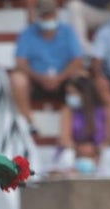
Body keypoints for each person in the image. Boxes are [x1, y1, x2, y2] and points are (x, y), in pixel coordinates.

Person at [10, 0, 85, 133]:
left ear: (56, 14)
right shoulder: (28, 33)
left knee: (82, 76)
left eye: (50, 15)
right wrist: (40, 78)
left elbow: (78, 61)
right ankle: (28, 121)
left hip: (63, 81)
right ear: (38, 16)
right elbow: (20, 62)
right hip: (36, 81)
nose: (48, 19)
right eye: (44, 15)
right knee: (18, 78)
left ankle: (79, 123)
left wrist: (60, 78)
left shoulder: (67, 31)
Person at [54, 76, 110, 175]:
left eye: (74, 93)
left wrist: (95, 151)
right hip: (75, 151)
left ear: (86, 93)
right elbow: (65, 139)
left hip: (98, 152)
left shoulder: (105, 110)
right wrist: (78, 149)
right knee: (68, 155)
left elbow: (109, 139)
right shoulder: (67, 110)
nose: (70, 96)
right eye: (68, 93)